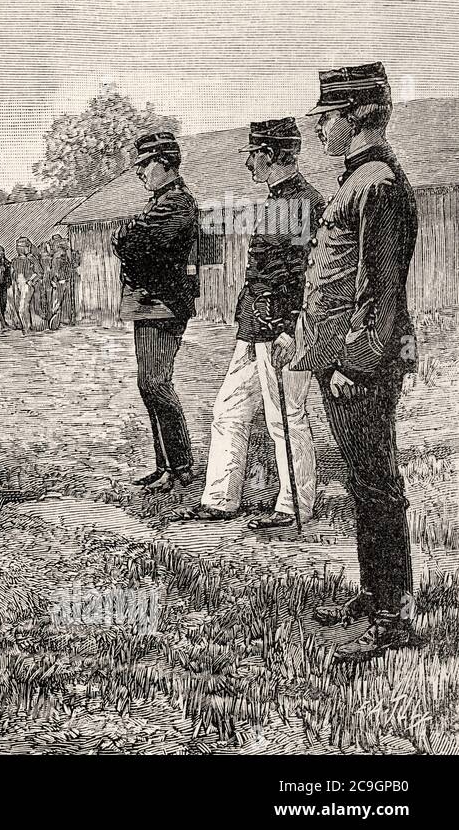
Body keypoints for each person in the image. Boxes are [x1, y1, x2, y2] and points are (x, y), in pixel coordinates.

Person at [275, 62, 418, 660]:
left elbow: (379, 295)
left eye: (326, 118)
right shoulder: (357, 180)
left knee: (377, 485)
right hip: (340, 361)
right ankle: (373, 598)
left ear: (355, 118)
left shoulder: (377, 183)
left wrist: (352, 364)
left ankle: (389, 618)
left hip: (358, 368)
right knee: (363, 484)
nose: (319, 130)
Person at [177, 117, 324, 529]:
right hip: (254, 327)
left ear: (272, 155)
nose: (248, 164)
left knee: (286, 416)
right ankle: (221, 499)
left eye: (254, 156)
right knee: (228, 410)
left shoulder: (304, 203)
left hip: (283, 330)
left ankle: (296, 505)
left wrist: (288, 328)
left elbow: (304, 274)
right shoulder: (279, 201)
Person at [113, 130, 199, 492]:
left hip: (163, 305)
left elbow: (133, 243)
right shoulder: (159, 203)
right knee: (148, 385)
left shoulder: (176, 203)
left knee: (156, 383)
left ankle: (180, 467)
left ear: (165, 163)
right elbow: (132, 242)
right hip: (149, 304)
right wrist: (128, 237)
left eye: (144, 164)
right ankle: (166, 465)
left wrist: (125, 236)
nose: (139, 172)